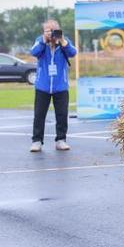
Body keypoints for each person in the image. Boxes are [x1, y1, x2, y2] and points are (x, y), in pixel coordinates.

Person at [29, 19, 77, 152]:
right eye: (48, 30)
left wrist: (62, 41)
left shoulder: (64, 42)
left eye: (53, 30)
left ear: (59, 30)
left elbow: (73, 52)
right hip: (42, 86)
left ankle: (61, 140)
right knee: (39, 115)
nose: (51, 33)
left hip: (60, 86)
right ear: (44, 31)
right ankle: (36, 141)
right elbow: (33, 52)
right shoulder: (40, 41)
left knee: (62, 114)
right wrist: (44, 39)